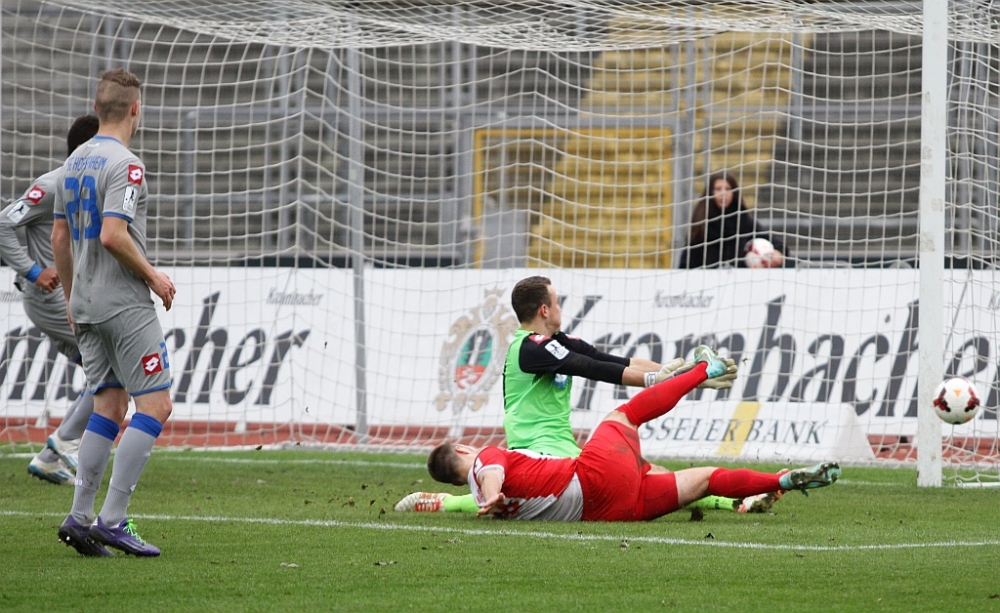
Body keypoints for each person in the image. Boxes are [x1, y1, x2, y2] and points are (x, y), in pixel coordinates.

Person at [396, 276, 775, 515]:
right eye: (557, 301)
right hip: (534, 447)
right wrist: (658, 379)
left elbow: (612, 360)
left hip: (557, 442)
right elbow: (588, 367)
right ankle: (448, 502)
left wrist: (677, 376)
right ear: (544, 309)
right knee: (643, 475)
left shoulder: (556, 341)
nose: (561, 307)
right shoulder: (529, 347)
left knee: (642, 474)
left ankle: (734, 498)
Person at [427, 346, 840, 521]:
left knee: (703, 479)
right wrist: (493, 489)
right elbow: (492, 469)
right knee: (622, 416)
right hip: (592, 475)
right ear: (462, 449)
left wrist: (491, 499)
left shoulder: (485, 505)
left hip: (615, 510)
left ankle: (782, 480)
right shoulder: (484, 462)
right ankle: (705, 370)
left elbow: (490, 486)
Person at [52, 68, 176, 557]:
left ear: (97, 107)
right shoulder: (127, 165)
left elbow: (60, 238)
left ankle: (80, 517)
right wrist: (153, 276)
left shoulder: (73, 162)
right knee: (156, 405)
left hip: (84, 302)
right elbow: (112, 234)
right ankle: (113, 519)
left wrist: (71, 297)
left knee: (108, 405)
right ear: (135, 109)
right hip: (122, 301)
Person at [0, 115, 100, 485]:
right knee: (113, 369)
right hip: (52, 297)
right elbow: (3, 223)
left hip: (72, 295)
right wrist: (33, 271)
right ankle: (65, 442)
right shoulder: (54, 184)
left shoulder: (86, 184)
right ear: (88, 148)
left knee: (100, 374)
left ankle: (49, 458)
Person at [680, 171, 788, 269]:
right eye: (718, 189)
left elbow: (778, 243)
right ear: (711, 192)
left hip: (741, 280)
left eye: (727, 189)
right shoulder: (701, 223)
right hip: (708, 279)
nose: (723, 193)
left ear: (734, 193)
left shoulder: (744, 220)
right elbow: (686, 262)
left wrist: (778, 253)